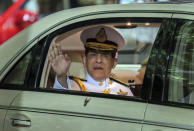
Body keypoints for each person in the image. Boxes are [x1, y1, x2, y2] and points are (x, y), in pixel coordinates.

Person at [48, 25, 133, 96]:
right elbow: (61, 100)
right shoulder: (71, 85)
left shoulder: (124, 91)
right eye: (93, 54)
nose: (98, 60)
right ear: (85, 60)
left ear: (114, 63)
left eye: (104, 55)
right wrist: (61, 76)